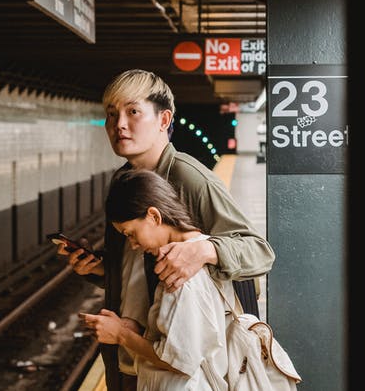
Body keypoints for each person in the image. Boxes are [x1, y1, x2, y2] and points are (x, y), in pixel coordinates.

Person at [61, 69, 275, 391]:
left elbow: (259, 251)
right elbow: (139, 266)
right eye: (111, 114)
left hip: (181, 369)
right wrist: (101, 268)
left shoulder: (190, 179)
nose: (119, 124)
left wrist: (206, 249)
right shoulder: (124, 182)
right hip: (133, 358)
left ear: (164, 120)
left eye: (133, 112)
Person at [80, 168, 235, 391]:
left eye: (131, 233)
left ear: (154, 216)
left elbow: (181, 360)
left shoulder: (182, 270)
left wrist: (121, 335)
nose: (133, 245)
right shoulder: (195, 251)